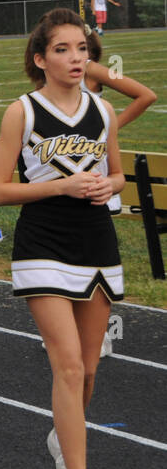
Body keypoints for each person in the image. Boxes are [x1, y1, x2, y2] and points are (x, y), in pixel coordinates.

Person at [0, 8, 123, 469]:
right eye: (62, 50)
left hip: (96, 242)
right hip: (43, 243)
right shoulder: (22, 111)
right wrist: (63, 184)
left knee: (88, 369)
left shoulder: (102, 111)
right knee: (66, 367)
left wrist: (109, 183)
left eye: (82, 49)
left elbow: (119, 175)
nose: (76, 58)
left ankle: (63, 435)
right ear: (40, 59)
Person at [84, 28, 155, 356]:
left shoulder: (92, 69)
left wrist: (110, 128)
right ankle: (73, 332)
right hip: (61, 185)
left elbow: (145, 95)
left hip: (96, 181)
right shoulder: (53, 77)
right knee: (65, 259)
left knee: (95, 257)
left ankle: (100, 335)